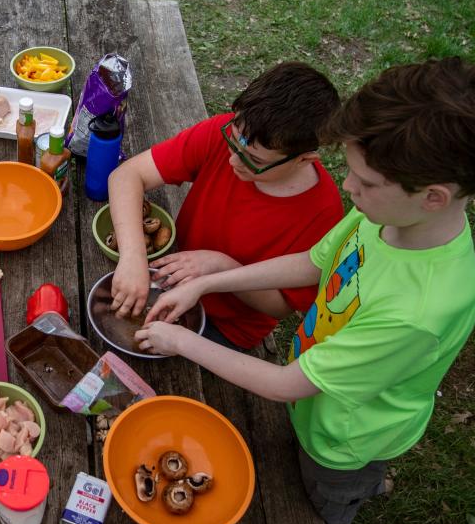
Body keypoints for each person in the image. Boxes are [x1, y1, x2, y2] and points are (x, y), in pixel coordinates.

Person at [138, 57, 475, 524]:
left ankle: (349, 502)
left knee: (324, 490)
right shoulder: (388, 216)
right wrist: (204, 282)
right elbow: (312, 262)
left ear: (434, 197)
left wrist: (180, 341)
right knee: (299, 434)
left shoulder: (418, 311)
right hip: (318, 383)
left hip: (347, 434)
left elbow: (285, 385)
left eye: (365, 181)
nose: (346, 185)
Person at [107, 62, 344, 351]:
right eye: (233, 142)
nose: (233, 160)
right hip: (169, 280)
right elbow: (127, 175)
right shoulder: (230, 137)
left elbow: (280, 307)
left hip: (227, 327)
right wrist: (132, 257)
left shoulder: (322, 213)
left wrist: (220, 267)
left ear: (304, 159)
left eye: (254, 160)